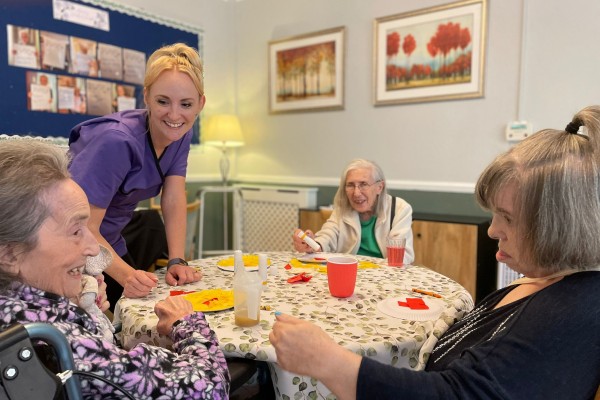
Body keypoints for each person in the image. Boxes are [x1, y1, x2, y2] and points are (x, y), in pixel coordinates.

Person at [273, 106, 600, 399]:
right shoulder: (545, 282)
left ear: (560, 224)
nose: (491, 230)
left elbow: (455, 393)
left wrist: (327, 360)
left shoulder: (572, 313)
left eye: (508, 218)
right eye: (350, 185)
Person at [0, 139, 229, 398]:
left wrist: (84, 312)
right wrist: (187, 324)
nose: (92, 247)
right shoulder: (56, 341)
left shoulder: (19, 312)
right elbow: (209, 389)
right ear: (10, 253)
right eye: (76, 231)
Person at [69, 43, 205, 308]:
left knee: (143, 310)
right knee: (105, 325)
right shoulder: (116, 141)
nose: (175, 115)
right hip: (73, 245)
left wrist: (177, 260)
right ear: (147, 96)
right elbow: (81, 229)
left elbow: (174, 195)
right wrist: (127, 275)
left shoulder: (180, 133)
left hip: (110, 242)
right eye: (163, 101)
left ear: (200, 103)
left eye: (186, 104)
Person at [292, 158, 414, 264]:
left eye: (363, 184)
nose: (356, 193)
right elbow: (328, 235)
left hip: (385, 276)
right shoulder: (343, 208)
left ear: (379, 187)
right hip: (348, 272)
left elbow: (403, 256)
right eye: (350, 185)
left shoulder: (399, 209)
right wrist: (313, 244)